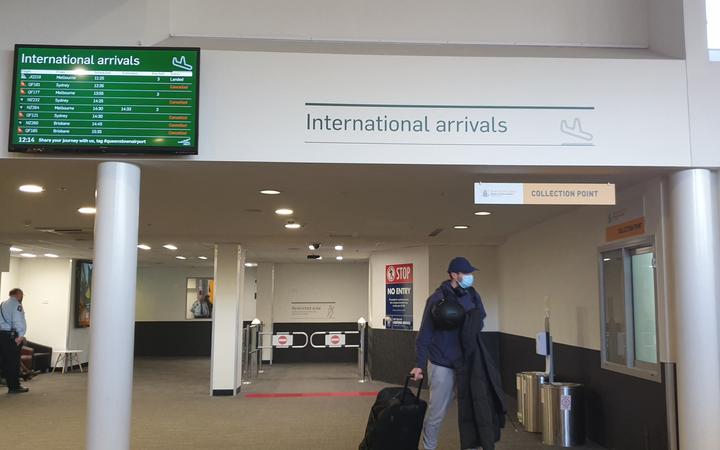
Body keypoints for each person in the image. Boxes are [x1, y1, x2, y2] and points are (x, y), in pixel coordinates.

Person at [410, 257, 504, 450]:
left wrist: (466, 305)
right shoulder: (436, 299)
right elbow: (424, 334)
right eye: (466, 273)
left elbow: (481, 318)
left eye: (470, 273)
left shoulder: (472, 295)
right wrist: (420, 364)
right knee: (436, 413)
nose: (470, 277)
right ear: (454, 275)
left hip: (467, 362)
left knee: (474, 407)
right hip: (442, 363)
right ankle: (428, 447)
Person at [0, 288, 29, 394]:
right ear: (18, 294)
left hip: (2, 336)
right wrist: (21, 336)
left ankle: (10, 384)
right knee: (13, 363)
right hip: (12, 337)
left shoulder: (3, 304)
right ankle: (14, 387)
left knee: (5, 363)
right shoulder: (16, 305)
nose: (22, 297)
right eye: (22, 295)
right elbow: (19, 321)